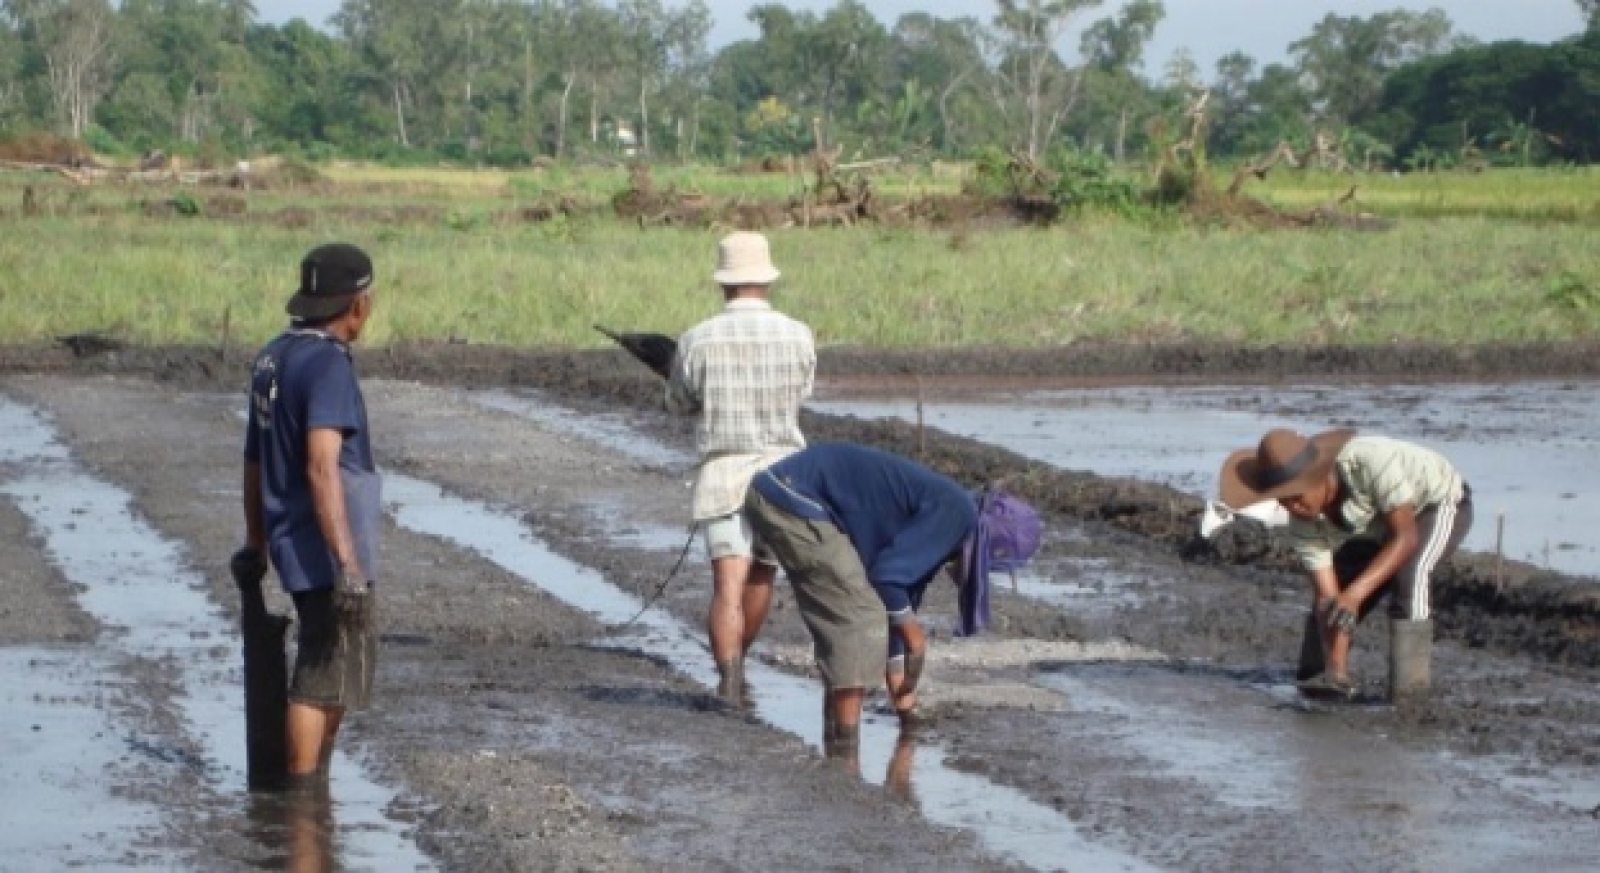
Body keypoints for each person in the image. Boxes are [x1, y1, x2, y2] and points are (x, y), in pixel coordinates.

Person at [743, 443, 1042, 759]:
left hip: (784, 491)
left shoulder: (950, 512)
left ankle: (837, 736)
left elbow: (897, 601)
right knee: (856, 616)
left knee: (859, 609)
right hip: (793, 497)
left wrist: (905, 704)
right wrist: (915, 636)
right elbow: (887, 579)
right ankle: (845, 748)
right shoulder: (958, 515)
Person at [234, 242, 382, 791]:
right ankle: (303, 803)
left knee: (327, 676)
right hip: (325, 549)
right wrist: (347, 562)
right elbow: (322, 467)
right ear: (357, 306)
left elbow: (254, 457)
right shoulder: (327, 365)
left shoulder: (274, 356)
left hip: (290, 539)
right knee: (321, 680)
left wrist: (256, 540)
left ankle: (305, 792)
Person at [666, 231, 815, 702]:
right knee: (762, 576)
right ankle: (740, 663)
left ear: (723, 283)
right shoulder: (798, 334)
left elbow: (679, 403)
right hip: (785, 473)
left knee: (727, 584)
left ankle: (728, 676)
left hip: (724, 472)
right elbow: (802, 394)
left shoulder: (697, 339)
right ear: (766, 279)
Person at [1219, 428, 1472, 700]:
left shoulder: (1371, 462)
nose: (1293, 508)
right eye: (1283, 501)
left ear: (1320, 476)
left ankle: (1411, 692)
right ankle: (1320, 679)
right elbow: (1328, 596)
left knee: (1410, 575)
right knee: (1336, 594)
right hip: (1373, 523)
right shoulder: (1302, 523)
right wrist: (1336, 669)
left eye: (1297, 495)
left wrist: (1356, 594)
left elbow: (1406, 538)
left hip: (1436, 504)